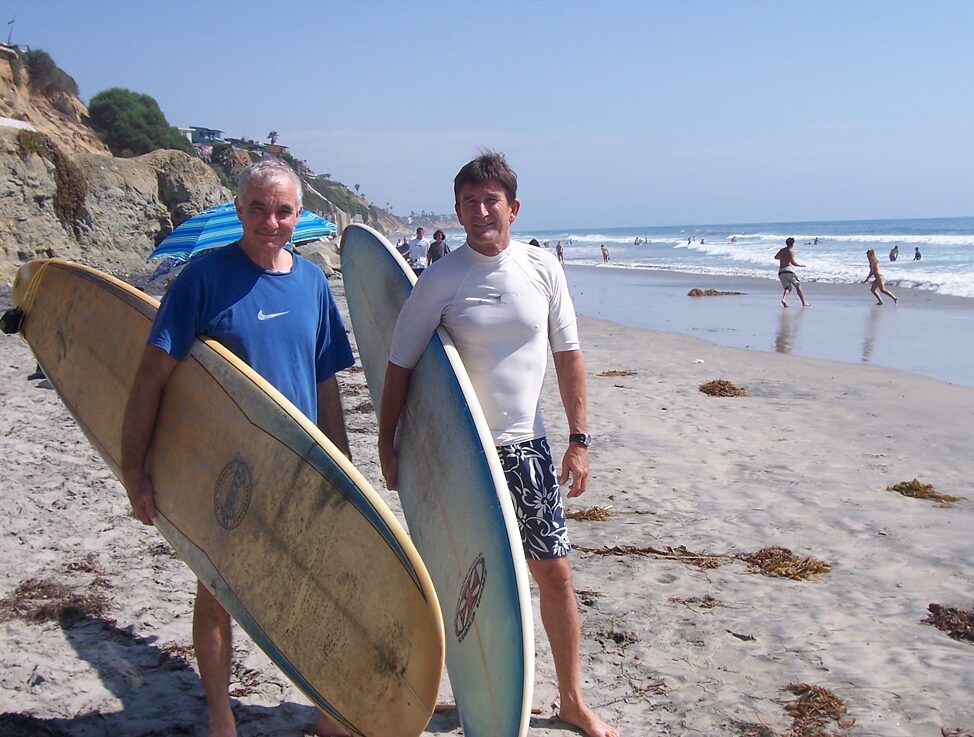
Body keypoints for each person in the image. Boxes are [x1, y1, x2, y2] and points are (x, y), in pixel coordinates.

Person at [377, 152, 618, 737]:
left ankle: (571, 700)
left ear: (514, 208)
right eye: (470, 202)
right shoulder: (441, 279)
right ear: (458, 211)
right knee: (459, 580)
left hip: (526, 449)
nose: (481, 211)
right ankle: (454, 691)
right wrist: (389, 442)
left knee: (554, 573)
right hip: (461, 456)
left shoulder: (542, 268)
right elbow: (399, 363)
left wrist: (579, 440)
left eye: (491, 201)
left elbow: (569, 356)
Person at [121, 159, 355, 737]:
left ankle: (328, 712)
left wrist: (344, 469)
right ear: (238, 209)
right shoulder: (202, 279)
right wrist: (134, 469)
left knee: (316, 592)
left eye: (282, 211)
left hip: (300, 468)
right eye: (258, 208)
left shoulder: (312, 283)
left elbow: (326, 382)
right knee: (218, 591)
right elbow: (151, 376)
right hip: (226, 470)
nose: (270, 222)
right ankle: (221, 715)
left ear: (298, 215)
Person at [774, 237, 809, 307]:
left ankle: (784, 299)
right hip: (788, 270)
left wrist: (783, 258)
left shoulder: (782, 250)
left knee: (788, 288)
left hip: (781, 271)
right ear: (793, 244)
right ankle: (803, 302)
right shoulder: (791, 251)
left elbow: (776, 257)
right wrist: (801, 265)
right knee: (798, 285)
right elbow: (793, 263)